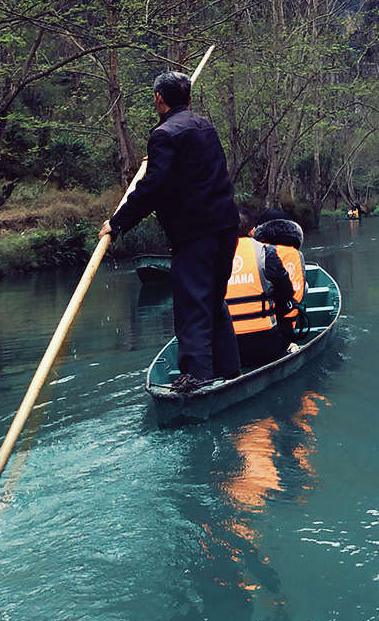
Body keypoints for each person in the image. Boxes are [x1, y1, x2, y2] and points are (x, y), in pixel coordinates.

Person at [100, 70, 240, 395]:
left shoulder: (165, 135)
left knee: (193, 306)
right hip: (226, 228)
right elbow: (189, 173)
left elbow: (152, 188)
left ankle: (198, 381)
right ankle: (230, 372)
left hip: (195, 234)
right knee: (214, 300)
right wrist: (162, 159)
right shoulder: (205, 126)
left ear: (158, 100)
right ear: (189, 99)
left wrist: (118, 222)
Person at [225, 209, 298, 369]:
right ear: (253, 230)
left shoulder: (214, 255)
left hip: (226, 351)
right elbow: (287, 292)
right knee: (287, 308)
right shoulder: (266, 252)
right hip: (265, 348)